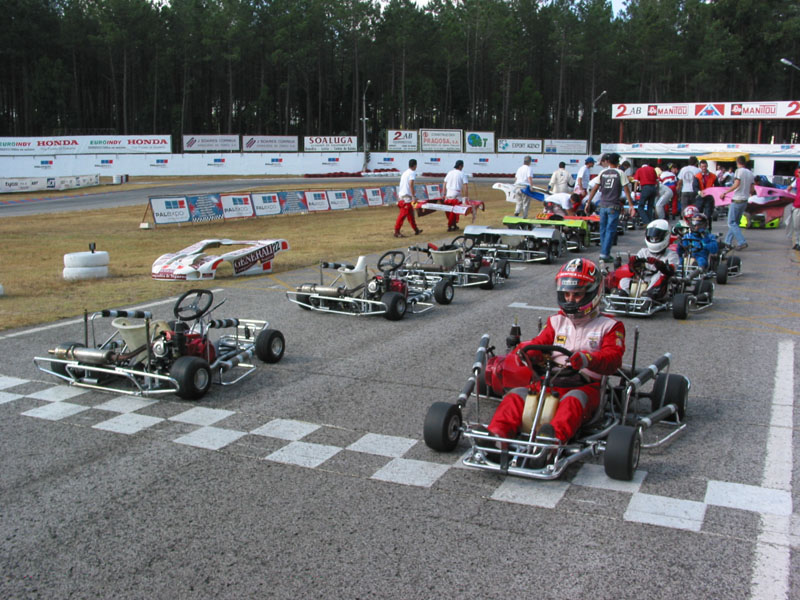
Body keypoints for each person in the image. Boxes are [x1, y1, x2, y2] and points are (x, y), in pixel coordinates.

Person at [482, 258, 625, 454]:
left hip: (584, 386)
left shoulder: (609, 327)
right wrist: (526, 351)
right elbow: (540, 342)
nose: (570, 299)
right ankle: (497, 437)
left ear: (594, 293)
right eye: (567, 294)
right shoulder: (557, 322)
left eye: (577, 294)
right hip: (549, 381)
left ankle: (550, 444)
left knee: (572, 404)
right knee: (515, 397)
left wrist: (587, 359)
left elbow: (613, 358)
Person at [585, 152, 635, 262]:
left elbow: (595, 188)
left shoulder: (602, 172)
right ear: (618, 162)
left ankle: (604, 252)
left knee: (603, 229)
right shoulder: (620, 173)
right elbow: (626, 189)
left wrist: (588, 202)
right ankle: (605, 254)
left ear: (608, 161)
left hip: (602, 205)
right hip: (614, 205)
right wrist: (631, 205)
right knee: (610, 230)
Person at [613, 219, 678, 299]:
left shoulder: (671, 254)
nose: (653, 240)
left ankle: (647, 295)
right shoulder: (643, 252)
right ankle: (622, 295)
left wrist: (660, 265)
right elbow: (632, 269)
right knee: (624, 280)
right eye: (652, 237)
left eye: (656, 238)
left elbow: (670, 271)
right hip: (642, 277)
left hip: (658, 283)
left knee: (659, 276)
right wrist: (633, 263)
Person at [720, 155, 754, 250]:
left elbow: (736, 184)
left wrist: (725, 192)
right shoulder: (750, 173)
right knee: (736, 223)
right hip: (745, 200)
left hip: (737, 199)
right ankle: (727, 242)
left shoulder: (739, 171)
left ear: (737, 162)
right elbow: (752, 189)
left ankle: (742, 241)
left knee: (731, 222)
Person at [395, 159, 423, 238]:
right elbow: (411, 184)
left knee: (410, 215)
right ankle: (397, 231)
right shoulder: (412, 173)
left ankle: (416, 230)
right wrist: (413, 196)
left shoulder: (405, 173)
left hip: (402, 196)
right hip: (406, 198)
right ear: (415, 165)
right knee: (402, 216)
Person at [443, 160, 468, 232]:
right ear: (460, 166)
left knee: (450, 212)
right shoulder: (462, 174)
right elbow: (465, 186)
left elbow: (444, 183)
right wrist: (466, 197)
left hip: (448, 196)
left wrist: (444, 194)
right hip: (456, 197)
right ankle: (450, 225)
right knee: (454, 212)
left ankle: (453, 225)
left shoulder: (450, 173)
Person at [694, 160, 717, 227]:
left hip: (709, 197)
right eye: (702, 166)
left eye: (705, 166)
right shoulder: (697, 176)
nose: (704, 168)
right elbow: (695, 187)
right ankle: (699, 228)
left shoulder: (713, 176)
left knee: (708, 215)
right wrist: (699, 192)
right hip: (700, 197)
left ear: (707, 166)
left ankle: (708, 228)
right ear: (700, 167)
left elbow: (717, 186)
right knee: (698, 215)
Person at [788, 162, 800, 250]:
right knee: (796, 226)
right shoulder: (797, 181)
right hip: (796, 206)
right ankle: (797, 242)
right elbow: (788, 189)